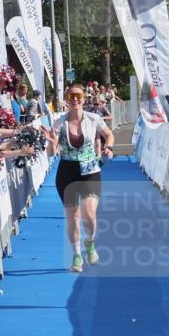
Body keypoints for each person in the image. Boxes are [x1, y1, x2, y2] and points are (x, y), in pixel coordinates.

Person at [41, 83, 115, 273]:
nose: (75, 99)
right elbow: (51, 153)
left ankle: (89, 243)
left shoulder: (94, 118)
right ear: (66, 100)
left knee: (89, 214)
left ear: (83, 99)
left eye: (78, 96)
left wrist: (108, 147)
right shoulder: (59, 123)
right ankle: (76, 255)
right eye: (71, 96)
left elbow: (109, 135)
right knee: (73, 217)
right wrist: (51, 143)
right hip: (67, 172)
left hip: (90, 171)